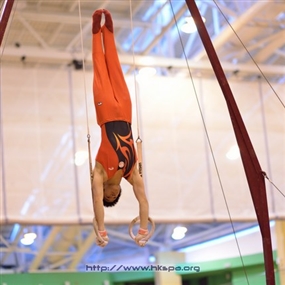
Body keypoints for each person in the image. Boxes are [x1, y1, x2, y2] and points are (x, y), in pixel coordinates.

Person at [91, 9, 150, 248]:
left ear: (104, 188)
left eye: (108, 196)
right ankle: (110, 31)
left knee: (100, 66)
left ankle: (97, 31)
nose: (111, 196)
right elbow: (143, 201)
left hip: (105, 112)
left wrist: (101, 230)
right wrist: (143, 230)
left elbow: (96, 202)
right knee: (115, 66)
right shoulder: (131, 173)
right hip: (125, 112)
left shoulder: (99, 174)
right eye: (114, 198)